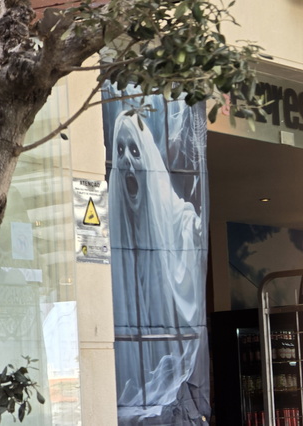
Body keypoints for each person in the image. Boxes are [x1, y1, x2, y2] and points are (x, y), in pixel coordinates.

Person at [109, 111, 208, 424]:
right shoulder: (112, 222)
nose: (127, 159)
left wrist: (194, 231)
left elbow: (184, 220)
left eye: (134, 150)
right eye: (120, 150)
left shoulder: (167, 206)